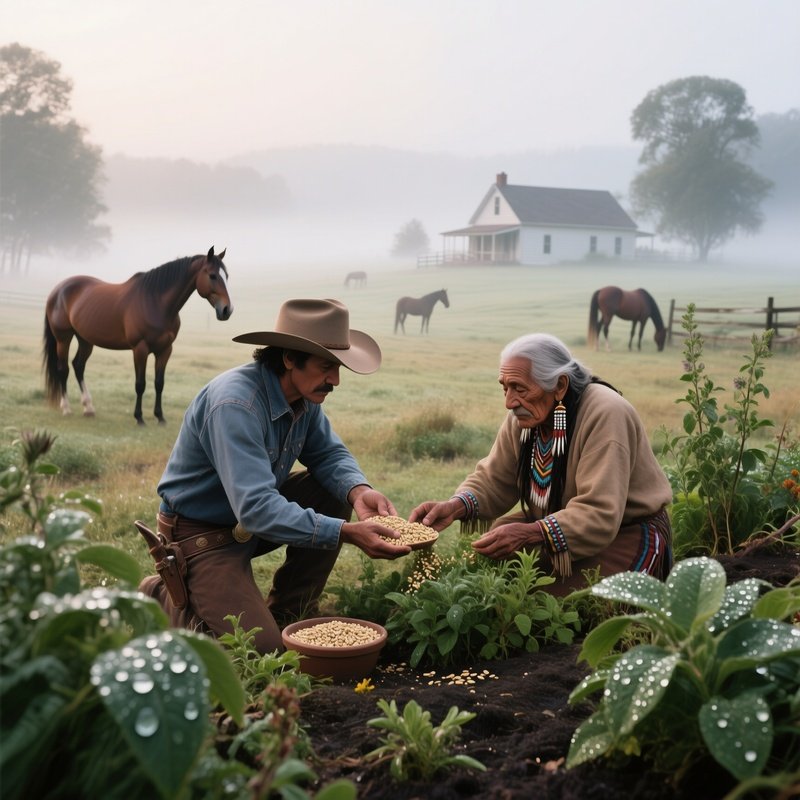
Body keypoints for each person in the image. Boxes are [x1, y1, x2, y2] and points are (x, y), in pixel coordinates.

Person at [137, 298, 410, 653]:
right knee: (261, 649)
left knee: (333, 491)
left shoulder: (303, 396)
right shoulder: (236, 405)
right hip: (201, 536)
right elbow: (258, 509)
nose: (336, 380)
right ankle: (161, 594)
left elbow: (328, 454)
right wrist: (344, 532)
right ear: (289, 358)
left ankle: (289, 611)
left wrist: (359, 492)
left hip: (248, 522)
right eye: (327, 366)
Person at [409, 333, 672, 595]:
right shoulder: (525, 416)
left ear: (559, 386)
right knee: (497, 564)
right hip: (557, 522)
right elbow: (495, 478)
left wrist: (531, 533)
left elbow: (599, 512)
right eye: (505, 387)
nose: (509, 402)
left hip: (625, 532)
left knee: (556, 606)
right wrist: (454, 507)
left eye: (520, 388)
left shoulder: (606, 413)